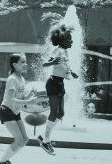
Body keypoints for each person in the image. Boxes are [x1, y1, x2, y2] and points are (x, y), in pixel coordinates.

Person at [37, 23, 78, 155]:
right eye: (69, 39)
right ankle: (46, 141)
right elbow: (45, 64)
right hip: (53, 82)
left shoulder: (64, 51)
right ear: (62, 41)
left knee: (61, 114)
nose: (71, 41)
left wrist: (71, 73)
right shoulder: (57, 50)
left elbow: (64, 66)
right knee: (54, 112)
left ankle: (44, 136)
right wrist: (53, 63)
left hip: (59, 83)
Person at [0, 53, 39, 164]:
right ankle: (1, 161)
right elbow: (10, 99)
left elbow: (20, 98)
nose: (26, 64)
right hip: (6, 111)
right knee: (19, 139)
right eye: (22, 62)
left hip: (15, 111)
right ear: (14, 65)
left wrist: (29, 95)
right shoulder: (12, 79)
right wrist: (28, 101)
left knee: (25, 139)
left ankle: (6, 160)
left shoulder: (22, 79)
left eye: (25, 62)